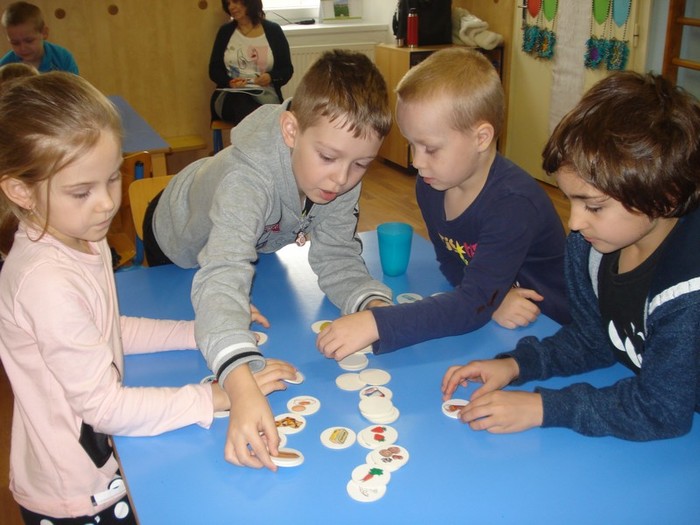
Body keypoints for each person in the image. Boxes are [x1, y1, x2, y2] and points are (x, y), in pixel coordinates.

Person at [0, 72, 295, 524]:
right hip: (76, 496)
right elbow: (104, 407)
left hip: (102, 469)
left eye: (111, 178)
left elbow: (105, 330)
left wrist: (198, 332)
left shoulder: (81, 234)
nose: (106, 203)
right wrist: (214, 397)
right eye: (82, 191)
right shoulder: (45, 282)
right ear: (21, 191)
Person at [144, 49, 393, 470]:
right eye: (328, 158)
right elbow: (223, 272)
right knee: (209, 299)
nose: (341, 178)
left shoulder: (339, 168)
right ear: (291, 130)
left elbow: (336, 254)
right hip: (175, 236)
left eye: (360, 165)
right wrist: (240, 385)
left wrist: (375, 308)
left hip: (253, 237)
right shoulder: (247, 181)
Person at [441, 71, 700, 441]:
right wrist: (517, 365)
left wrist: (542, 408)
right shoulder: (592, 246)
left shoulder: (688, 290)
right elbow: (594, 340)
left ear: (665, 196)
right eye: (570, 200)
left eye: (593, 206)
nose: (574, 223)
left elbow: (661, 409)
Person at [316, 47, 569, 361]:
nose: (417, 162)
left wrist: (377, 323)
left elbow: (471, 305)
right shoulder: (431, 186)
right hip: (498, 319)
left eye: (430, 148)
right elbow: (452, 262)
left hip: (552, 329)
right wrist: (492, 299)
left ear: (481, 138)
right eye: (412, 144)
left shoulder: (513, 204)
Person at [209, 0, 293, 125]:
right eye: (228, 4)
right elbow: (214, 70)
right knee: (243, 102)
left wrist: (270, 77)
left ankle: (249, 136)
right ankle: (258, 135)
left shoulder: (273, 31)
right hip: (230, 96)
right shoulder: (225, 32)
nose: (231, 7)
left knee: (258, 111)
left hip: (265, 95)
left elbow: (286, 69)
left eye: (235, 1)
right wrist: (229, 82)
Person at [0, 1, 79, 74]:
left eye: (29, 41)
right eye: (15, 43)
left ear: (44, 33)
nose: (22, 48)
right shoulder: (4, 66)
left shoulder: (62, 58)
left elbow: (74, 85)